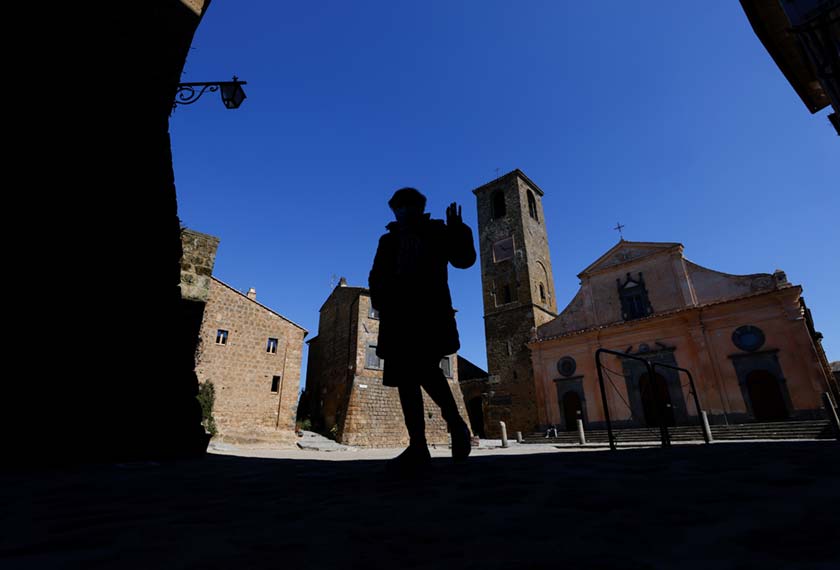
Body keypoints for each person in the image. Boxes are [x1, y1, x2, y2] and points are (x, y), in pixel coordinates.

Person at [369, 187, 476, 473]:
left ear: (419, 207)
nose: (402, 211)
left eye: (408, 206)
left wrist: (459, 230)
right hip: (397, 316)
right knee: (405, 378)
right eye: (398, 207)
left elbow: (464, 260)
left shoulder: (437, 232)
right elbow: (376, 275)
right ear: (394, 210)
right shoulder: (387, 240)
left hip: (428, 314)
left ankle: (455, 424)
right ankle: (419, 445)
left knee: (426, 370)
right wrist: (381, 300)